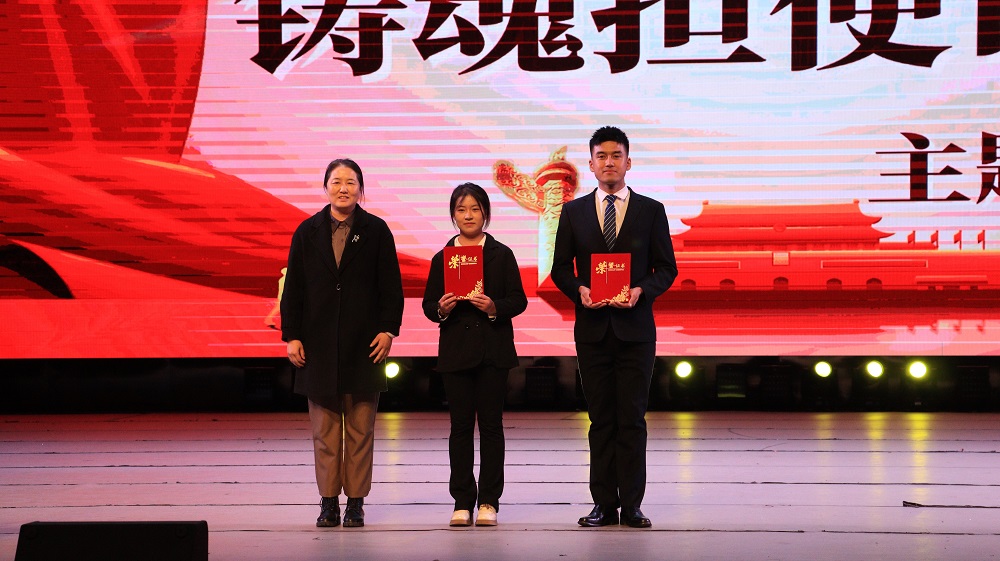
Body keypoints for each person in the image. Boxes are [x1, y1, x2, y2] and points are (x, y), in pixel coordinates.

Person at [551, 127, 677, 528]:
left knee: (632, 419)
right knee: (601, 420)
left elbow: (667, 269)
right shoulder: (573, 212)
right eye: (601, 156)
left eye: (616, 155)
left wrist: (641, 290)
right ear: (590, 164)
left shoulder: (651, 210)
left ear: (628, 162)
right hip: (593, 331)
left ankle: (633, 505)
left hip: (635, 332)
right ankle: (604, 504)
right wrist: (580, 290)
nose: (609, 162)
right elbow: (559, 270)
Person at [280, 158, 404, 528]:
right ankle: (328, 501)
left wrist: (388, 330)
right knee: (325, 432)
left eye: (351, 182)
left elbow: (391, 286)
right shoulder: (307, 231)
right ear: (325, 187)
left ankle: (356, 503)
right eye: (336, 181)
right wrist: (292, 335)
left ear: (360, 189)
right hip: (317, 346)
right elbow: (294, 288)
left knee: (361, 431)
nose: (344, 188)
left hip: (364, 346)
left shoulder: (376, 230)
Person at [421, 182, 528, 527]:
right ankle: (462, 501)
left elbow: (519, 300)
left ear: (485, 213)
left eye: (475, 209)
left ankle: (489, 502)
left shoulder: (501, 254)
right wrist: (441, 308)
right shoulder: (442, 258)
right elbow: (428, 304)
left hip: (493, 352)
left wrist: (495, 307)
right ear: (453, 215)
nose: (468, 215)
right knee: (460, 428)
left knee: (492, 427)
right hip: (456, 353)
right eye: (461, 209)